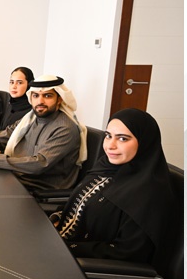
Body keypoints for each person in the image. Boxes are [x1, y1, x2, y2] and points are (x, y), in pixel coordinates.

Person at [52, 108, 173, 262]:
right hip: (60, 244)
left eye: (122, 139)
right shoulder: (105, 168)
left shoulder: (149, 192)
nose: (110, 146)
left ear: (144, 142)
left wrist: (67, 248)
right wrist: (56, 219)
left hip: (86, 267)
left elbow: (128, 252)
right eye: (108, 136)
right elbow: (81, 201)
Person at [0, 74, 87, 192]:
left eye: (47, 96)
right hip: (18, 176)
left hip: (39, 188)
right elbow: (2, 135)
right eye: (36, 96)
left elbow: (38, 164)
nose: (40, 101)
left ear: (59, 99)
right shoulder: (30, 118)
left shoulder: (64, 128)